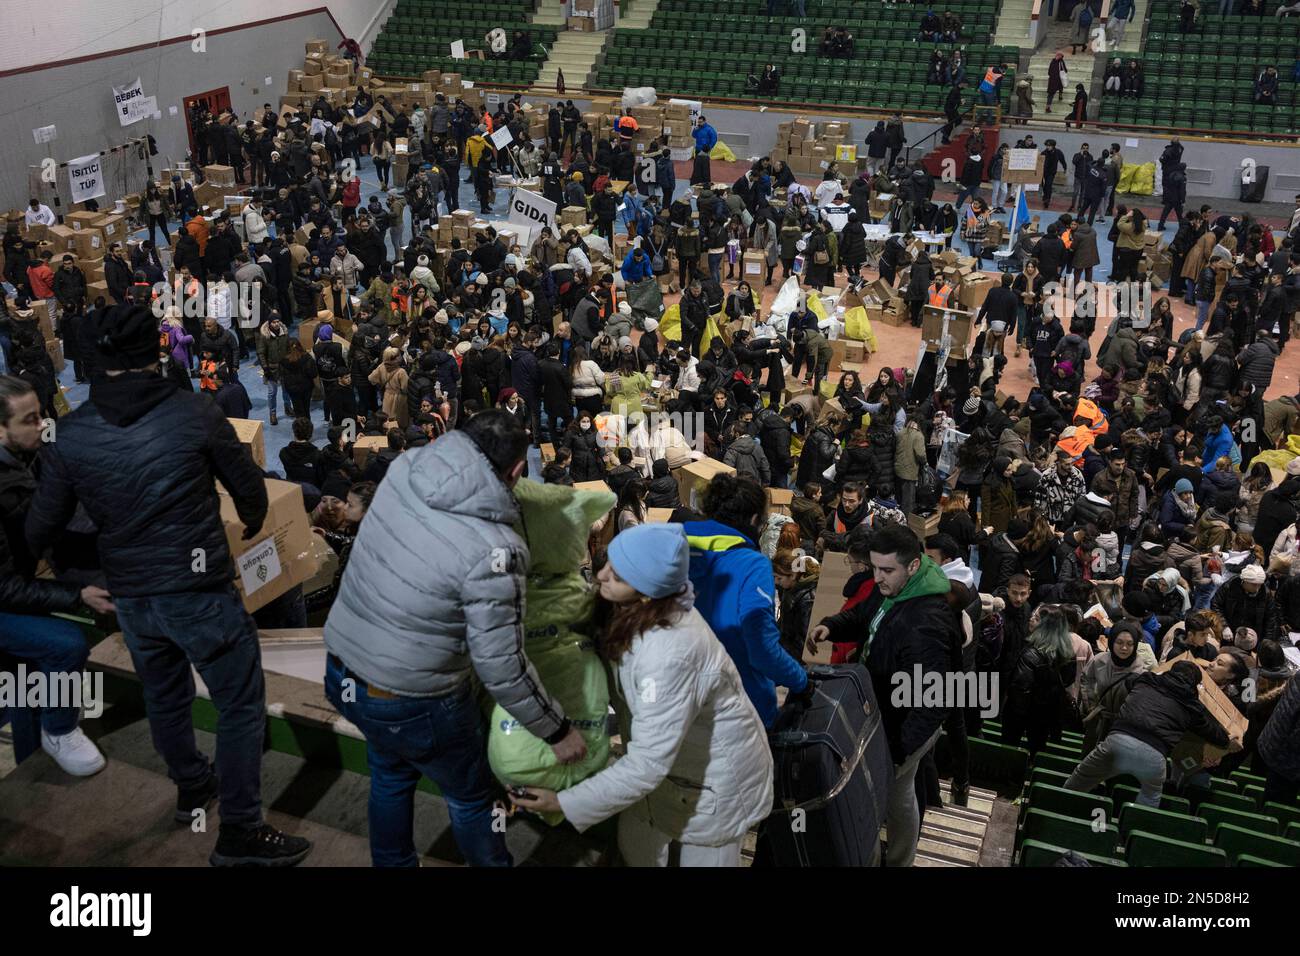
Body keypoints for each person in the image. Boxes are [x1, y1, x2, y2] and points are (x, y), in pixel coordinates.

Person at [24, 304, 312, 866]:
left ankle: (191, 788)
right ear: (153, 351)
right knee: (238, 705)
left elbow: (40, 528)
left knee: (166, 697)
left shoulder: (74, 434)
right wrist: (251, 523)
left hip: (132, 596)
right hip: (198, 590)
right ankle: (241, 832)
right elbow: (249, 490)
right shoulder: (193, 412)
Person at [324, 409, 588, 867]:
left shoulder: (405, 470)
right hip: (418, 700)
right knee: (471, 798)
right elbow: (501, 663)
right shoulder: (494, 549)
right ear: (517, 471)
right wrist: (556, 730)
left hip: (346, 669)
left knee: (389, 777)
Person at [511, 523, 774, 867]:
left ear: (647, 592)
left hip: (712, 783)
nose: (601, 576)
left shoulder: (669, 653)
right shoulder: (629, 609)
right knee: (637, 844)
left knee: (701, 856)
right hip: (666, 769)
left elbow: (647, 764)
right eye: (607, 564)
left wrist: (563, 803)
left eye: (617, 576)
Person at [808, 522, 954, 867]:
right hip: (884, 713)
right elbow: (864, 616)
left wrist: (900, 750)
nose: (878, 578)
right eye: (874, 568)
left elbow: (934, 701)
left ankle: (894, 860)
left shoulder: (926, 621)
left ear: (914, 566)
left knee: (890, 796)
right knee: (895, 795)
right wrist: (833, 625)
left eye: (886, 570)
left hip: (905, 726)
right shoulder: (895, 588)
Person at [0, 376, 112, 776]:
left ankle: (32, 765)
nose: (43, 423)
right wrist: (75, 594)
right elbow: (4, 586)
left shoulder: (27, 456)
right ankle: (61, 729)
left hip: (13, 585)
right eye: (30, 419)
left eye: (42, 413)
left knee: (25, 683)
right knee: (64, 645)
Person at [1065, 661, 1240, 806]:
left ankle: (1060, 806)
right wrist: (1226, 741)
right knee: (1150, 797)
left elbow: (1128, 682)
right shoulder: (1193, 705)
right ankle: (1132, 836)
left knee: (1083, 776)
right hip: (1154, 756)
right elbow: (1211, 731)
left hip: (1118, 742)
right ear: (1194, 684)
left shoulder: (1145, 680)